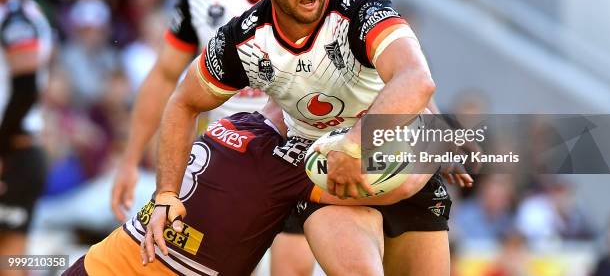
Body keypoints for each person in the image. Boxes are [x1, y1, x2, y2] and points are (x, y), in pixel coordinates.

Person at [144, 0, 467, 275]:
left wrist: (362, 144)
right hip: (328, 179)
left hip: (398, 158)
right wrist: (166, 196)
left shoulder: (358, 2)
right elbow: (183, 102)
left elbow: (415, 78)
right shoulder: (245, 40)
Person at [110, 0, 317, 275]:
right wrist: (129, 158)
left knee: (293, 268)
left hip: (296, 152)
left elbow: (389, 65)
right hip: (223, 161)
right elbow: (165, 78)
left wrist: (432, 141)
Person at [64, 102, 424, 275]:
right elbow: (401, 187)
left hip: (98, 263)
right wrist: (441, 143)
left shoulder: (237, 121)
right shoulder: (289, 166)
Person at [0, 0, 52, 276]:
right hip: (13, 147)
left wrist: (1, 145)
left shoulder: (17, 16)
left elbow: (26, 86)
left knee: (10, 256)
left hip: (13, 149)